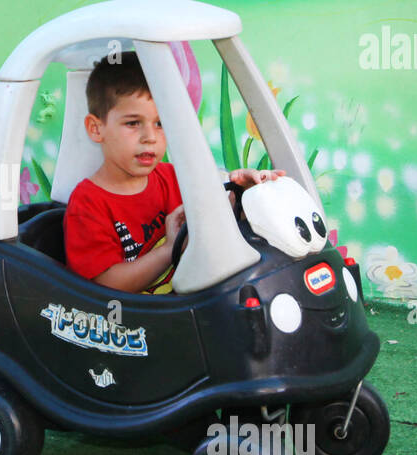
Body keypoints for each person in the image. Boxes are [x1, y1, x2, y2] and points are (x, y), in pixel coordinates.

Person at [63, 52, 285, 294]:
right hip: (133, 322)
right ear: (96, 129)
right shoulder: (87, 204)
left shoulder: (174, 177)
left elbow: (216, 218)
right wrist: (170, 249)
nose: (150, 137)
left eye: (160, 123)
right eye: (133, 123)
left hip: (186, 305)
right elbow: (108, 286)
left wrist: (243, 191)